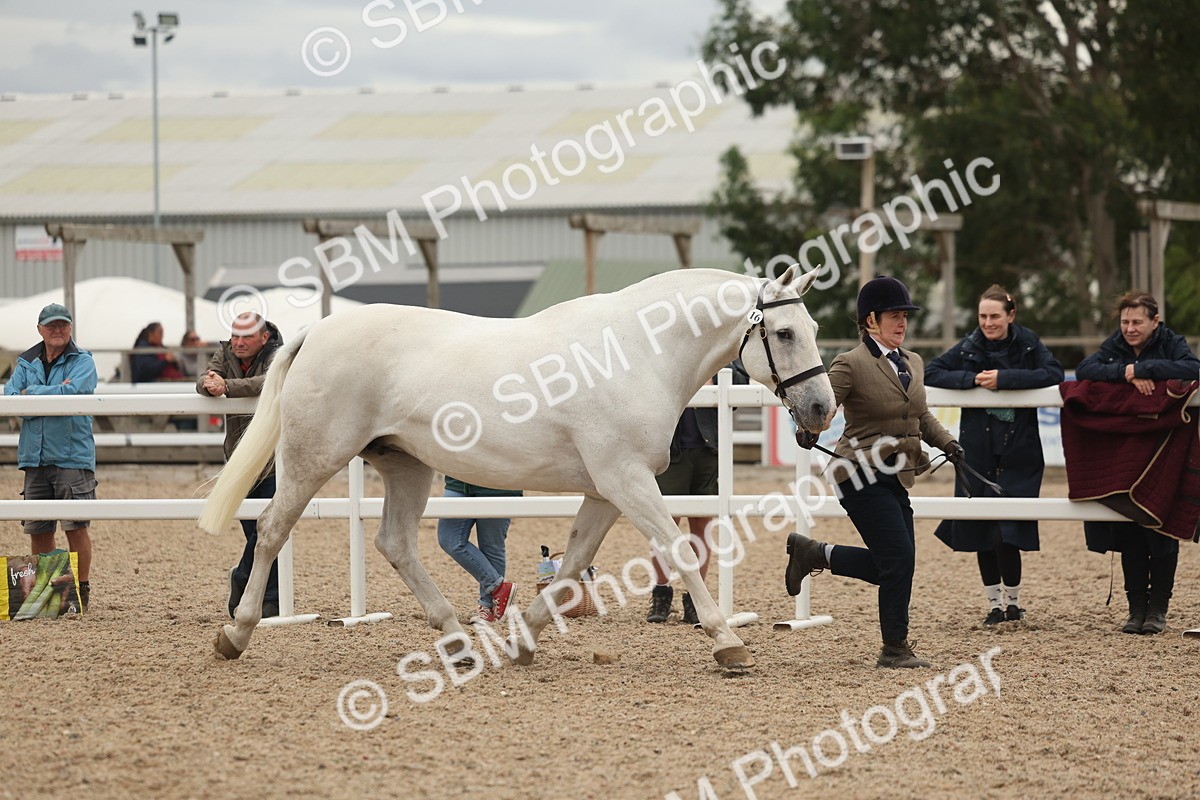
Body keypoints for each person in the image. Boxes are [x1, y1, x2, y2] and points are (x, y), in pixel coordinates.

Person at [784, 276, 961, 669]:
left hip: (898, 474)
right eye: (894, 316)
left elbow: (921, 414)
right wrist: (807, 429)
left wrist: (947, 442)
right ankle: (894, 648)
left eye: (904, 316)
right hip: (859, 474)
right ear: (870, 321)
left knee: (897, 564)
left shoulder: (913, 362)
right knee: (897, 560)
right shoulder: (851, 363)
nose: (902, 323)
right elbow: (823, 404)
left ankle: (816, 552)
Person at [925, 285, 1064, 625]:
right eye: (983, 316)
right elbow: (932, 372)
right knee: (982, 531)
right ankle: (993, 605)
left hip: (1020, 451)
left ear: (1010, 315)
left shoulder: (1029, 343)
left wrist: (1006, 379)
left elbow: (1053, 374)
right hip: (978, 452)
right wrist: (973, 379)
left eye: (995, 316)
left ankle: (1014, 602)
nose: (988, 322)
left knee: (1009, 531)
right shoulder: (970, 345)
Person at [1076, 291, 1200, 634]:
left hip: (1164, 448)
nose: (1129, 329)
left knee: (1161, 528)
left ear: (1154, 322)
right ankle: (1136, 609)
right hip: (1127, 450)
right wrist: (1126, 373)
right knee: (1129, 529)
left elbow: (1193, 368)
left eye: (1136, 322)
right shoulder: (1115, 343)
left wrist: (1143, 368)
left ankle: (1158, 608)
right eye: (1125, 322)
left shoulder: (1173, 341)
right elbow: (1088, 369)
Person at [4, 303, 98, 610]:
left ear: (70, 328)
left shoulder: (83, 360)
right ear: (40, 329)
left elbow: (74, 393)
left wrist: (32, 393)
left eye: (62, 325)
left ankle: (80, 590)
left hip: (71, 455)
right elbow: (10, 395)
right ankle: (52, 596)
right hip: (36, 456)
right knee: (39, 528)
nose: (57, 330)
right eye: (51, 325)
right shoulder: (26, 361)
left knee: (76, 525)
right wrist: (54, 390)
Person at [646, 364, 748, 626]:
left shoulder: (721, 352)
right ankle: (661, 592)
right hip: (670, 448)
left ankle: (696, 597)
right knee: (665, 523)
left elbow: (740, 383)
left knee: (702, 524)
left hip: (709, 447)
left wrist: (715, 375)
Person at [198, 312, 284, 619]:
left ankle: (251, 585)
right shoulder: (224, 352)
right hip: (238, 456)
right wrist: (210, 384)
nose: (238, 342)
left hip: (273, 458)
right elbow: (205, 379)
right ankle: (262, 594)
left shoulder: (280, 354)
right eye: (235, 336)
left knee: (267, 530)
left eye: (246, 337)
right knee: (256, 532)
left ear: (264, 338)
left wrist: (226, 386)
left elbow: (270, 382)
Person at [437, 477, 518, 622]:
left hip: (498, 484)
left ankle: (488, 607)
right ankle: (499, 588)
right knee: (449, 540)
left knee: (491, 546)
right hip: (457, 482)